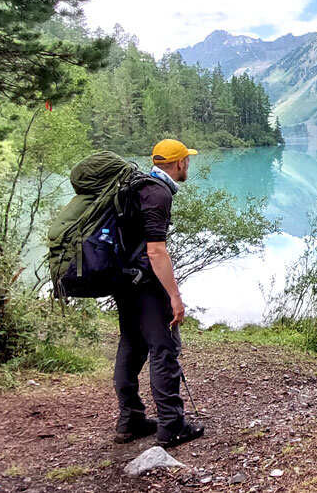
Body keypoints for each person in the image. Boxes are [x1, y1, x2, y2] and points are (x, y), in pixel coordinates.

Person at [112, 139, 205, 448]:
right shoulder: (159, 192)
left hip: (124, 281)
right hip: (146, 285)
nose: (188, 165)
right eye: (186, 161)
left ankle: (130, 420)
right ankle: (171, 425)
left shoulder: (138, 185)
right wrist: (175, 297)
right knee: (164, 348)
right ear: (178, 163)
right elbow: (156, 252)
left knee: (132, 343)